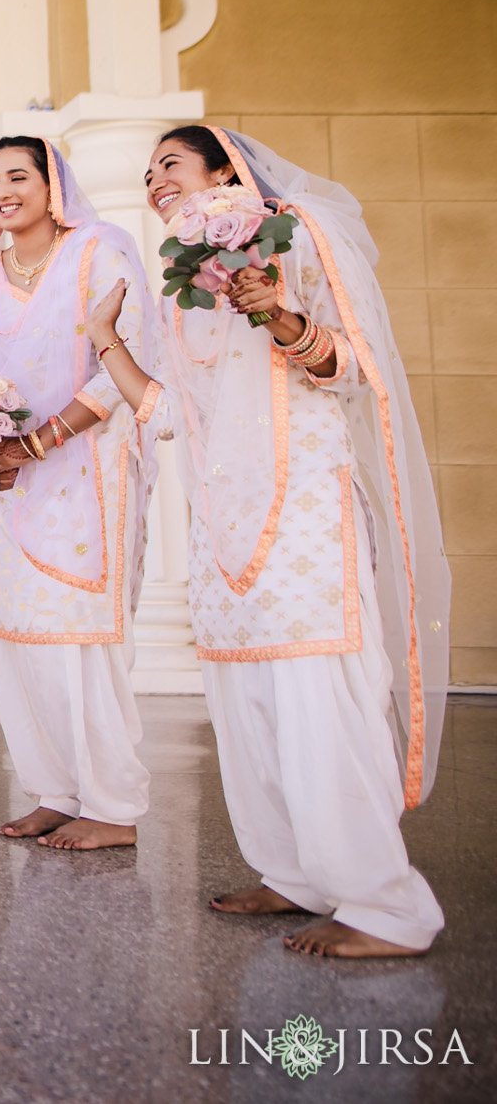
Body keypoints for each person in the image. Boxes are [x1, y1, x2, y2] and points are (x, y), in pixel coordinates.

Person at [146, 125, 447, 957]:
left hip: (305, 498)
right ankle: (294, 873)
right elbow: (177, 409)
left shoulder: (296, 232)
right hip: (222, 513)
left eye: (170, 162)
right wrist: (104, 338)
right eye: (148, 171)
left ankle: (386, 906)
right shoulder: (182, 281)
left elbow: (357, 366)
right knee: (247, 698)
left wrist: (280, 314)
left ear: (225, 170)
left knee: (315, 687)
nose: (154, 180)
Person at [0, 136, 168, 851]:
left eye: (19, 176)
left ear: (53, 186)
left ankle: (112, 805)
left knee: (80, 636)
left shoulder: (100, 251)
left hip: (87, 468)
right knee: (20, 638)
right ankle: (54, 790)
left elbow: (125, 365)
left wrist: (42, 441)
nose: (3, 191)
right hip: (13, 477)